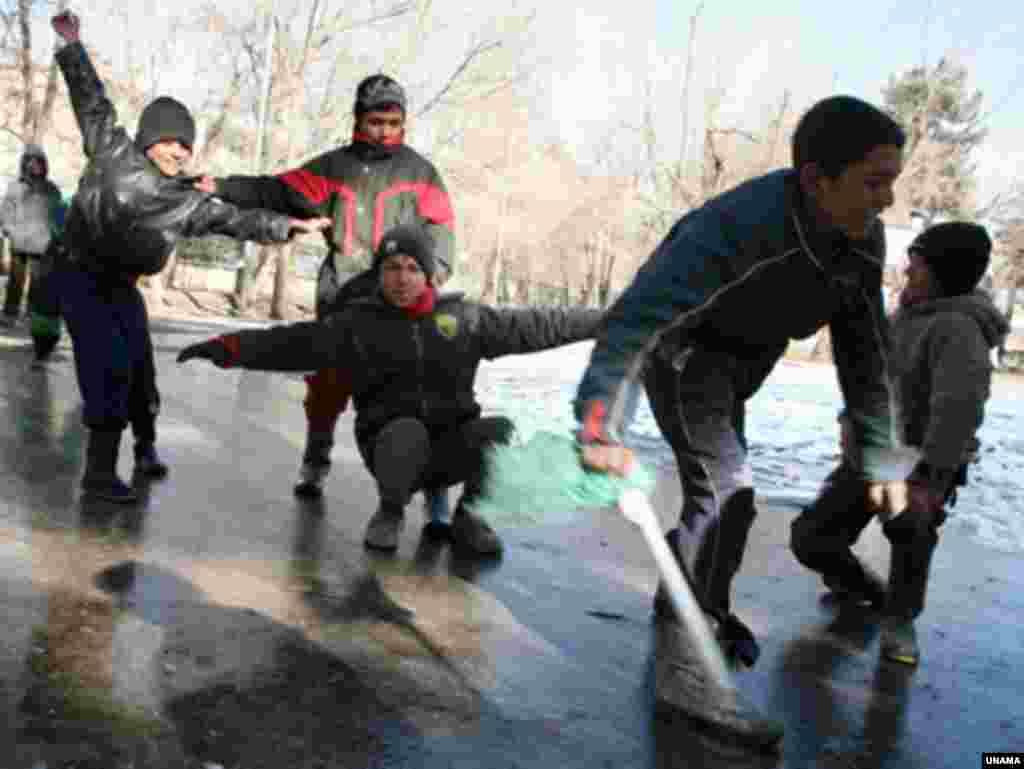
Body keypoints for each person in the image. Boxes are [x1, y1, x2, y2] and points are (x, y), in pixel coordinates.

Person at [573, 95, 906, 746]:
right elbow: (634, 321)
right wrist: (597, 421)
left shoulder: (862, 241)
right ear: (815, 178)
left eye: (891, 182)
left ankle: (690, 595)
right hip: (683, 352)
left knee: (724, 502)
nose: (886, 200)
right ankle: (687, 672)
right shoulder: (736, 228)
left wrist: (880, 447)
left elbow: (866, 350)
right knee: (725, 493)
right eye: (873, 182)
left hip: (741, 364)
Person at [178, 224, 602, 556]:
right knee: (406, 431)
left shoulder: (465, 319)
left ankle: (470, 518)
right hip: (391, 446)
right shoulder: (356, 325)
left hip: (449, 443)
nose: (401, 278)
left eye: (412, 268)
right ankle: (390, 511)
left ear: (429, 275)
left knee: (501, 431)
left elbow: (540, 325)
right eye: (391, 268)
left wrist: (609, 321)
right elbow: (290, 343)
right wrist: (226, 347)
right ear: (378, 274)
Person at [50, 11, 329, 503]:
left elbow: (233, 220)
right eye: (171, 139)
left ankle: (145, 448)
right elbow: (89, 96)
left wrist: (286, 225)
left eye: (186, 143)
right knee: (107, 366)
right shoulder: (110, 148)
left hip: (121, 284)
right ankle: (97, 473)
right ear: (149, 137)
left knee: (140, 369)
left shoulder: (184, 199)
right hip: (77, 274)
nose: (179, 150)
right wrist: (72, 44)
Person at [196, 74, 456, 523]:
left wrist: (430, 279)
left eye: (393, 122)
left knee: (415, 400)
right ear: (359, 120)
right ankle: (316, 460)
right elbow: (276, 189)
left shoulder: (421, 173)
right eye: (375, 121)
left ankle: (434, 491)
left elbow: (442, 234)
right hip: (343, 296)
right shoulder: (334, 169)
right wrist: (220, 185)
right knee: (327, 388)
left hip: (401, 302)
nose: (384, 131)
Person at [790, 221, 1008, 667]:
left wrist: (932, 475)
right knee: (812, 539)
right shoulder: (906, 316)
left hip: (919, 462)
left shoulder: (957, 328)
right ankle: (871, 592)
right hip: (875, 454)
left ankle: (900, 623)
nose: (907, 275)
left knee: (910, 537)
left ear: (945, 272)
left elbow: (958, 409)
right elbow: (873, 380)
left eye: (917, 268)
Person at [0, 144, 66, 334]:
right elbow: (5, 211)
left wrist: (58, 236)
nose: (34, 165)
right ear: (24, 164)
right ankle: (10, 314)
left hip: (42, 243)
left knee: (38, 283)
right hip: (19, 241)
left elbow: (59, 214)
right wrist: (9, 229)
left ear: (44, 165)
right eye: (30, 161)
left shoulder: (51, 189)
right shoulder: (15, 187)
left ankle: (32, 313)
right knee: (15, 280)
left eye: (38, 162)